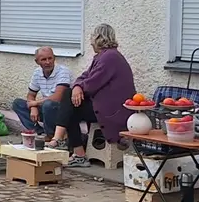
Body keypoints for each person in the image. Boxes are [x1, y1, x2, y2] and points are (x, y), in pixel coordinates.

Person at [48, 24, 135, 168]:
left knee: (69, 102)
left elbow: (93, 83)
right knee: (70, 103)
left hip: (113, 112)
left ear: (99, 38)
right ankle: (66, 146)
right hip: (105, 106)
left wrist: (78, 87)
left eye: (92, 37)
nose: (90, 42)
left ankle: (64, 143)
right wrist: (77, 86)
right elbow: (84, 76)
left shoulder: (110, 57)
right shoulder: (103, 56)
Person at [11, 47, 72, 139]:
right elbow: (31, 95)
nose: (48, 62)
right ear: (37, 62)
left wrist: (35, 103)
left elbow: (59, 97)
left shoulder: (63, 71)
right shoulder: (37, 72)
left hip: (61, 111)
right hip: (46, 109)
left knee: (48, 104)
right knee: (17, 103)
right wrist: (33, 107)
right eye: (43, 59)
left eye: (50, 58)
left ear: (54, 58)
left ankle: (51, 135)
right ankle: (39, 133)